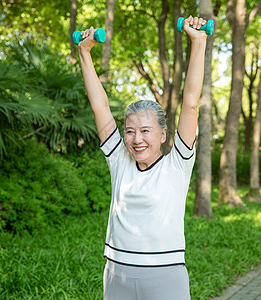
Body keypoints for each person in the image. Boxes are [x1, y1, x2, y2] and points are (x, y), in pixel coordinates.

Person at [77, 16, 208, 300]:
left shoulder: (177, 163)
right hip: (116, 275)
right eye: (131, 131)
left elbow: (191, 103)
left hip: (166, 276)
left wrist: (198, 43)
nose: (137, 139)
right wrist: (84, 53)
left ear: (163, 135)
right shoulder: (119, 160)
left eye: (146, 131)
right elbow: (99, 105)